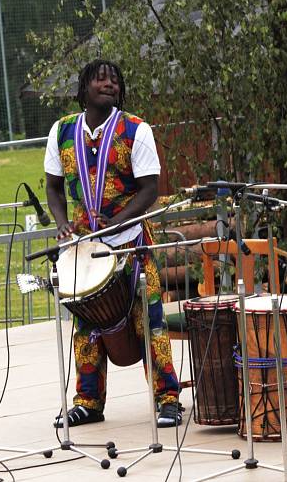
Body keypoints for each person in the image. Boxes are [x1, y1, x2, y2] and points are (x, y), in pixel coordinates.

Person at [44, 59, 182, 428]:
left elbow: (151, 188)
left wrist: (118, 222)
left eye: (115, 80)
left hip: (130, 243)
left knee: (150, 322)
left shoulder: (136, 129)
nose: (109, 83)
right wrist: (61, 225)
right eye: (100, 78)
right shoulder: (62, 131)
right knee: (86, 326)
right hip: (83, 247)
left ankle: (168, 399)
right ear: (83, 87)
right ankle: (88, 401)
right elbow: (53, 189)